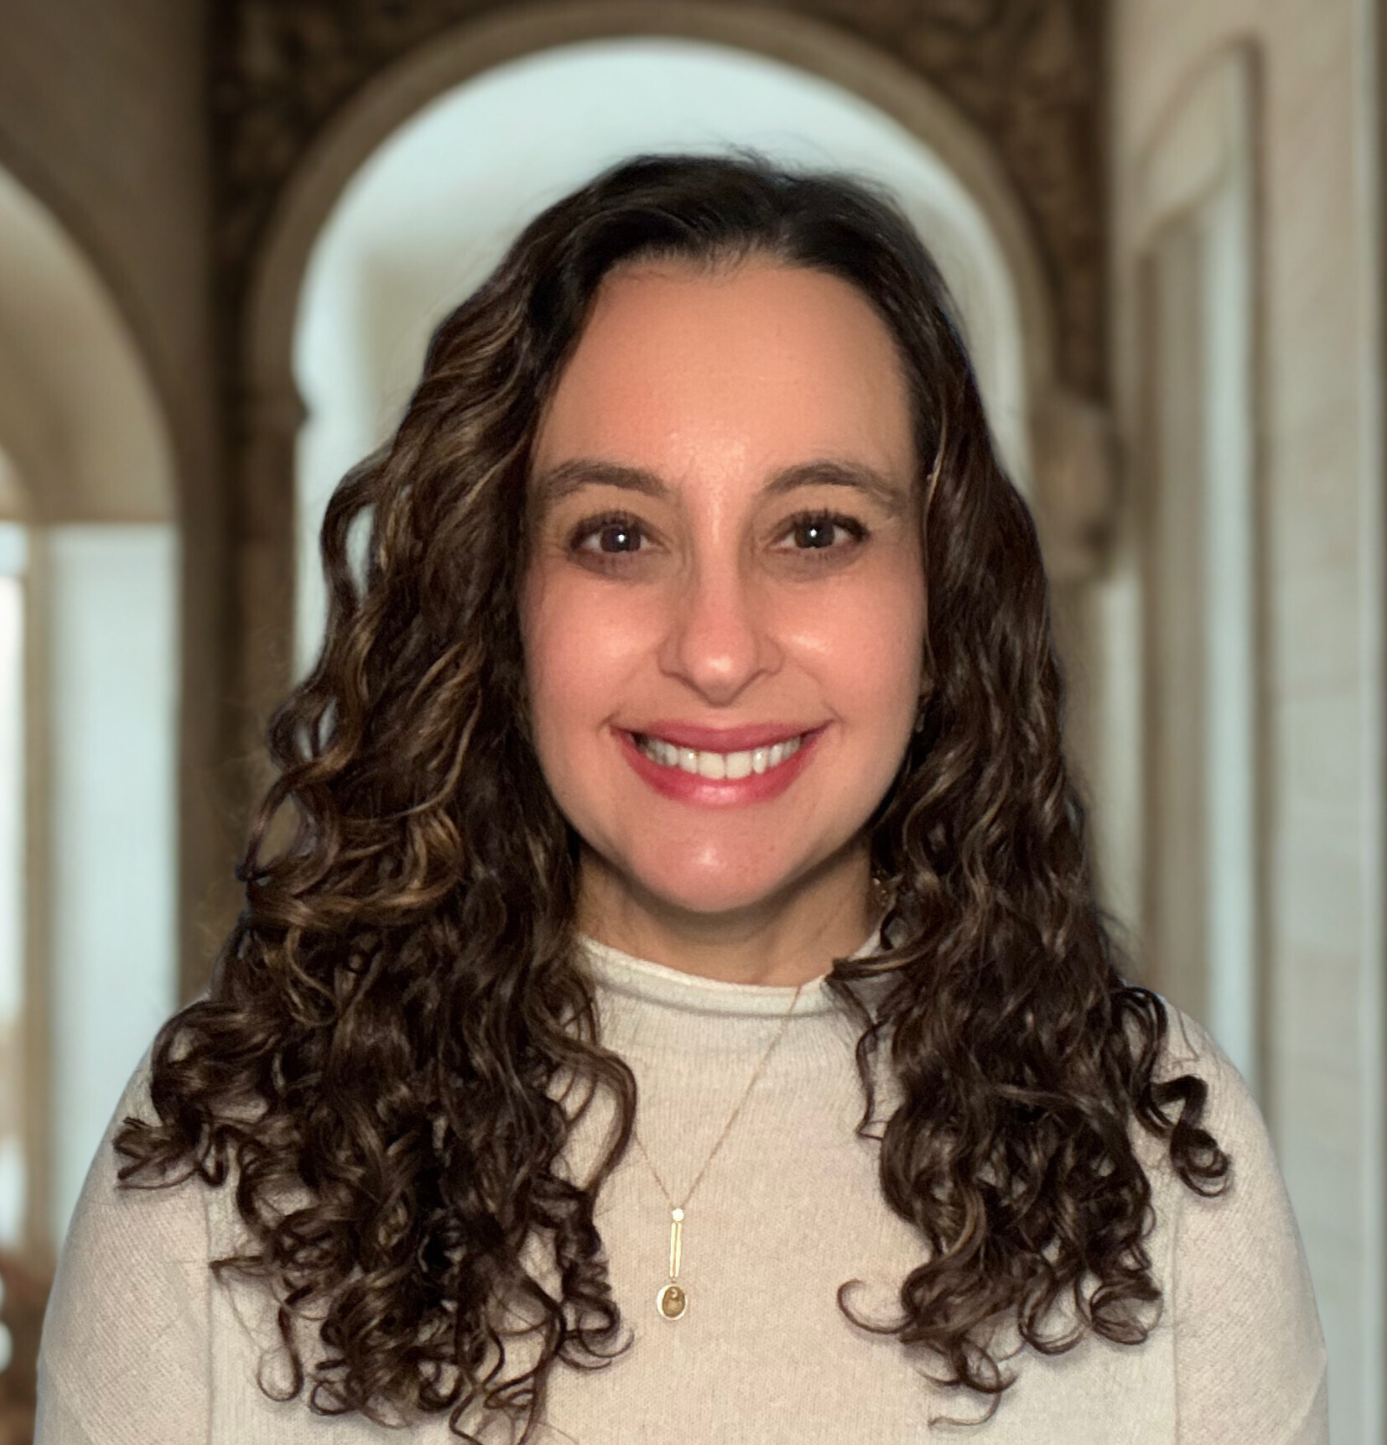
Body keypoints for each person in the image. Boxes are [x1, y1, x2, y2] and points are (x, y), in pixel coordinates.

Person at [35, 153, 1327, 1445]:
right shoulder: (226, 1165)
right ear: (502, 603)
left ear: (941, 602)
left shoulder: (1154, 1163)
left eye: (815, 530)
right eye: (617, 535)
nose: (715, 651)